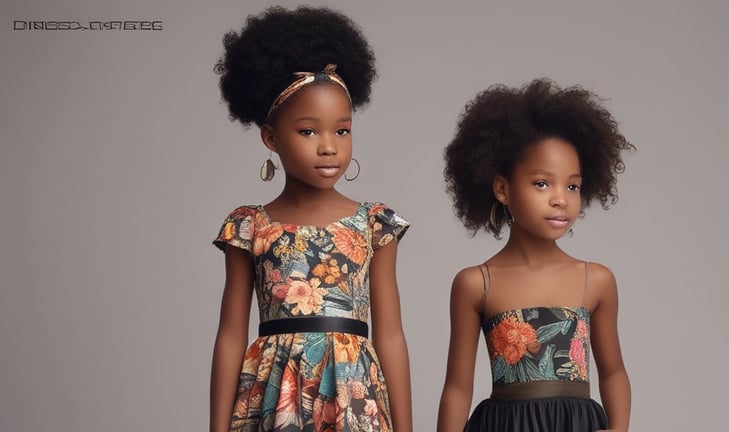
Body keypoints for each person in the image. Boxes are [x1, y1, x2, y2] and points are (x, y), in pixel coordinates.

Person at [209, 6, 412, 432]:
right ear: (270, 137)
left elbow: (390, 335)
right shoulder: (249, 226)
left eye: (342, 130)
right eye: (308, 131)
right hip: (272, 395)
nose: (328, 147)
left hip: (354, 396)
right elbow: (230, 335)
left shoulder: (374, 224)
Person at [437, 79, 633, 432]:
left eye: (572, 185)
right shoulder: (476, 284)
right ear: (503, 189)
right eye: (542, 183)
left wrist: (618, 429)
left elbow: (614, 371)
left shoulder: (597, 280)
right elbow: (456, 387)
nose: (560, 198)